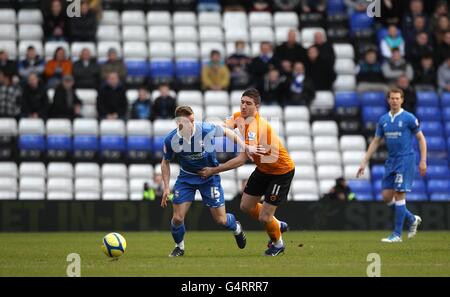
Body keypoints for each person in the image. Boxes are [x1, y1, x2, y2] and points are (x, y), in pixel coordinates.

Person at [199, 88, 295, 256]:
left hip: (281, 172)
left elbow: (242, 159)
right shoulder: (238, 116)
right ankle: (277, 224)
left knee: (265, 217)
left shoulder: (256, 128)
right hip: (264, 169)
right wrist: (207, 130)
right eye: (242, 102)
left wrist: (214, 170)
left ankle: (278, 244)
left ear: (256, 106)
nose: (243, 106)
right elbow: (224, 127)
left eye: (248, 103)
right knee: (245, 206)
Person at [160, 105, 255, 257]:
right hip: (186, 178)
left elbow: (227, 132)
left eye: (193, 120)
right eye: (188, 122)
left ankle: (236, 227)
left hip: (209, 177)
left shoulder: (205, 129)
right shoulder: (171, 139)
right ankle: (179, 247)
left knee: (221, 220)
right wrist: (166, 188)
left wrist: (244, 146)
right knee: (177, 218)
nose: (192, 124)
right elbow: (165, 162)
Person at [357, 88, 426, 243]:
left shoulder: (409, 118)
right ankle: (412, 218)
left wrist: (423, 160)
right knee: (387, 197)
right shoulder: (383, 120)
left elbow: (421, 139)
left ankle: (397, 235)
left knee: (399, 195)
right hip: (391, 161)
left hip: (405, 160)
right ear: (388, 100)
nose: (394, 101)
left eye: (397, 98)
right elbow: (376, 141)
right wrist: (364, 161)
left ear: (402, 100)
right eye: (392, 98)